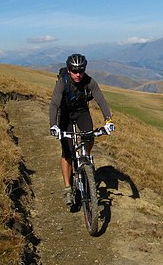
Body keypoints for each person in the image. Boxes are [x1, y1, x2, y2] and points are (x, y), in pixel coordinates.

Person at [49, 53, 115, 205]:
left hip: (81, 111)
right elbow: (54, 104)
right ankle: (67, 188)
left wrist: (108, 120)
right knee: (67, 151)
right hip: (64, 114)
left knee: (89, 137)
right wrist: (53, 125)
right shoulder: (62, 82)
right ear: (68, 69)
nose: (78, 74)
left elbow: (101, 100)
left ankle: (85, 158)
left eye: (81, 71)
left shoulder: (89, 82)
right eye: (74, 71)